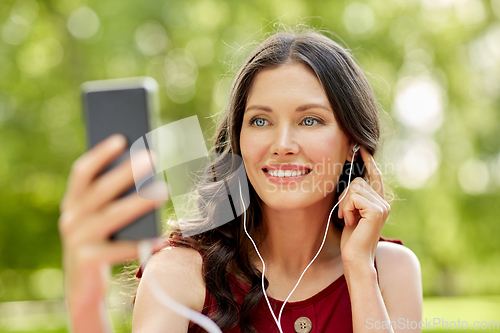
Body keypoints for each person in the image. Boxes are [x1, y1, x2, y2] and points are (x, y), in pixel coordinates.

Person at [59, 27, 422, 333]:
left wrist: (359, 270)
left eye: (310, 120)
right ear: (238, 142)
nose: (282, 146)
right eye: (260, 121)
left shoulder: (391, 269)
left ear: (353, 145)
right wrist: (85, 299)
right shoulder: (179, 273)